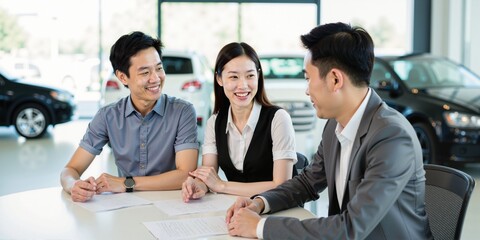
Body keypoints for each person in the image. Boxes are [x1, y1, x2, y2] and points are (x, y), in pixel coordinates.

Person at [225, 22, 433, 239]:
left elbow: (350, 228)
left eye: (308, 78)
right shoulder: (335, 124)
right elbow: (307, 183)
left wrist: (260, 227)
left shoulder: (391, 137)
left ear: (335, 79)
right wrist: (259, 203)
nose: (306, 90)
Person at [60, 31, 199, 202]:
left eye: (159, 68)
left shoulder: (182, 112)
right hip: (126, 207)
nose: (156, 78)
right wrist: (73, 185)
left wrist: (127, 183)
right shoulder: (107, 116)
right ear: (122, 77)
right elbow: (71, 169)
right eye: (145, 72)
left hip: (173, 203)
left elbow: (185, 175)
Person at [181, 42, 297, 202]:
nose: (243, 85)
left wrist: (222, 186)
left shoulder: (278, 118)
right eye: (234, 77)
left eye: (250, 76)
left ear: (258, 76)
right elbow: (208, 175)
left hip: (277, 208)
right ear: (219, 79)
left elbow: (282, 185)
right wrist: (198, 184)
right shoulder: (214, 122)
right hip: (237, 208)